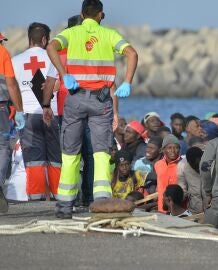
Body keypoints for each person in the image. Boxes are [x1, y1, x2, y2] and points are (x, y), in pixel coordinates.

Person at [46, 0, 138, 218]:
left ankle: (64, 206)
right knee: (100, 153)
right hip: (101, 101)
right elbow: (132, 54)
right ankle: (101, 203)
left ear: (81, 13)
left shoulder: (72, 33)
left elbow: (51, 46)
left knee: (70, 154)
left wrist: (64, 74)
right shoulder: (109, 34)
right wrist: (127, 82)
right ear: (101, 15)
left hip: (75, 98)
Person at [11, 23, 61, 201]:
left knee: (33, 160)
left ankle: (36, 197)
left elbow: (11, 88)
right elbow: (60, 85)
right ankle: (58, 195)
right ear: (46, 39)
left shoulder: (15, 61)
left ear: (29, 39)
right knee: (56, 157)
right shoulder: (54, 58)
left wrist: (17, 111)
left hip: (28, 116)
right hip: (52, 113)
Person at [0, 32, 25, 212]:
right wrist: (19, 108)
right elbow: (11, 83)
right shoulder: (2, 53)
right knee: (2, 147)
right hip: (1, 106)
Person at [154, 134, 182, 213]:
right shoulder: (158, 165)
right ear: (163, 149)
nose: (173, 150)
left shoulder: (183, 165)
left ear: (179, 149)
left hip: (177, 209)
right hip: (161, 208)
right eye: (169, 148)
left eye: (176, 147)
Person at [177, 146, 207, 214]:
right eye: (194, 166)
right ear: (188, 162)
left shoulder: (212, 162)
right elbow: (182, 189)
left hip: (212, 209)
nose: (197, 168)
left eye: (199, 164)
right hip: (195, 210)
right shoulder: (182, 166)